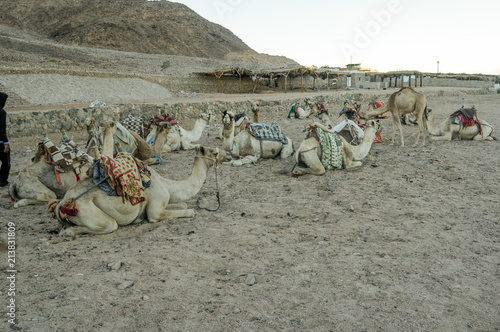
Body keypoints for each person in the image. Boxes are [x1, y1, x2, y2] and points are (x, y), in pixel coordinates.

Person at [0, 92, 10, 187]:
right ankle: (3, 181)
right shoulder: (1, 113)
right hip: (1, 142)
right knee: (5, 162)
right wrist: (5, 143)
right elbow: (1, 130)